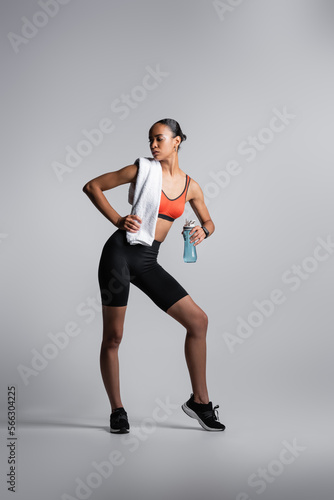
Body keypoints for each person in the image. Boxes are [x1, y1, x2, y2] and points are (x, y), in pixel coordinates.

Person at [82, 118, 225, 433]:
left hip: (147, 261)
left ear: (176, 141)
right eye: (150, 140)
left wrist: (205, 231)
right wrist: (119, 219)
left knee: (198, 321)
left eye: (159, 139)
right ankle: (117, 410)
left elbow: (210, 222)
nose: (153, 145)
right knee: (114, 337)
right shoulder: (142, 169)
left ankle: (200, 402)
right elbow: (92, 186)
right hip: (119, 255)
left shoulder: (191, 186)